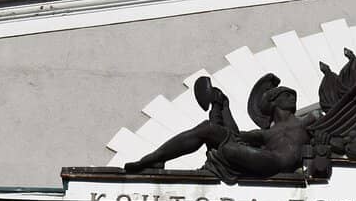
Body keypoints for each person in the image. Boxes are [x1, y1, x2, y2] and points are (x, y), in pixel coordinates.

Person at [124, 76, 309, 184]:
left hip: (275, 163)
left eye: (294, 95)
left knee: (228, 148)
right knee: (208, 129)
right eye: (287, 94)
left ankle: (154, 159)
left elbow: (331, 121)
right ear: (273, 101)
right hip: (263, 159)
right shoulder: (267, 133)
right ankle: (153, 159)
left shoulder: (307, 120)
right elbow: (236, 136)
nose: (293, 98)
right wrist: (223, 106)